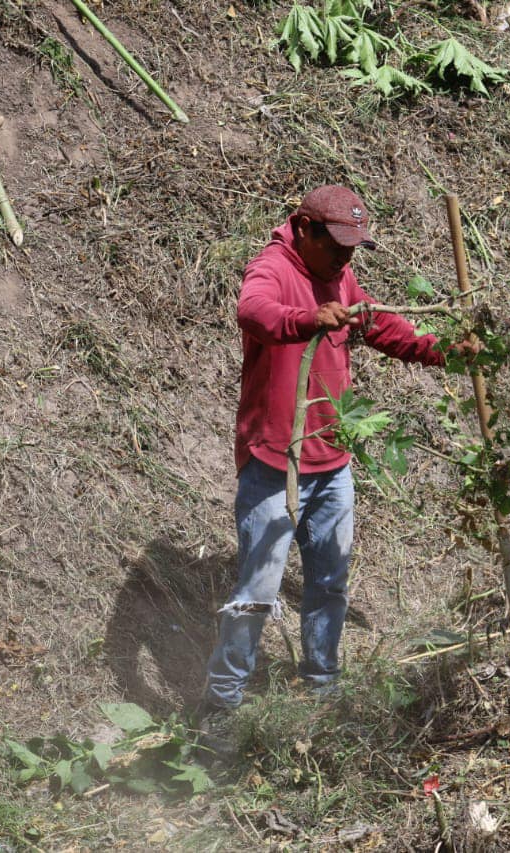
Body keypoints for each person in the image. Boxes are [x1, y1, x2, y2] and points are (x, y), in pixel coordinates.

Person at [196, 185, 469, 739]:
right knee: (256, 593)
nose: (347, 257)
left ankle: (322, 684)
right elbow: (254, 311)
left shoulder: (340, 274)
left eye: (353, 247)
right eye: (337, 245)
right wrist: (307, 320)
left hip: (332, 465)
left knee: (329, 582)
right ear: (304, 229)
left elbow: (376, 324)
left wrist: (442, 350)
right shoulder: (272, 266)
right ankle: (221, 705)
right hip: (275, 464)